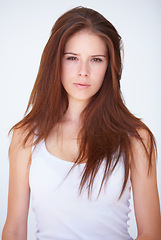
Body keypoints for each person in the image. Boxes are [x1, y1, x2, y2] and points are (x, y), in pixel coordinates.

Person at [2, 6, 161, 240]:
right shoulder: (25, 136)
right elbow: (14, 230)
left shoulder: (136, 138)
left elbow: (151, 233)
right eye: (72, 58)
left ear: (110, 66)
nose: (83, 71)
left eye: (96, 59)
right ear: (55, 62)